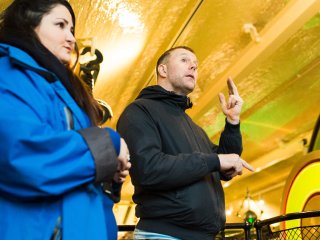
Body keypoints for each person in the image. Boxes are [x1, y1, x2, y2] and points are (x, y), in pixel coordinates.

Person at [0, 1, 130, 239]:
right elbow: (21, 156)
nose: (71, 38)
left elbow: (76, 172)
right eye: (60, 25)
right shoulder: (7, 73)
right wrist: (108, 142)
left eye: (72, 30)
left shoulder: (60, 89)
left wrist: (109, 173)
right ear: (28, 26)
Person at [117, 46, 254, 240]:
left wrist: (232, 122)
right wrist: (215, 161)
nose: (193, 67)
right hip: (164, 234)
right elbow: (148, 170)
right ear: (162, 70)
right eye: (184, 60)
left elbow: (224, 163)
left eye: (196, 65)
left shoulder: (192, 126)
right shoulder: (139, 112)